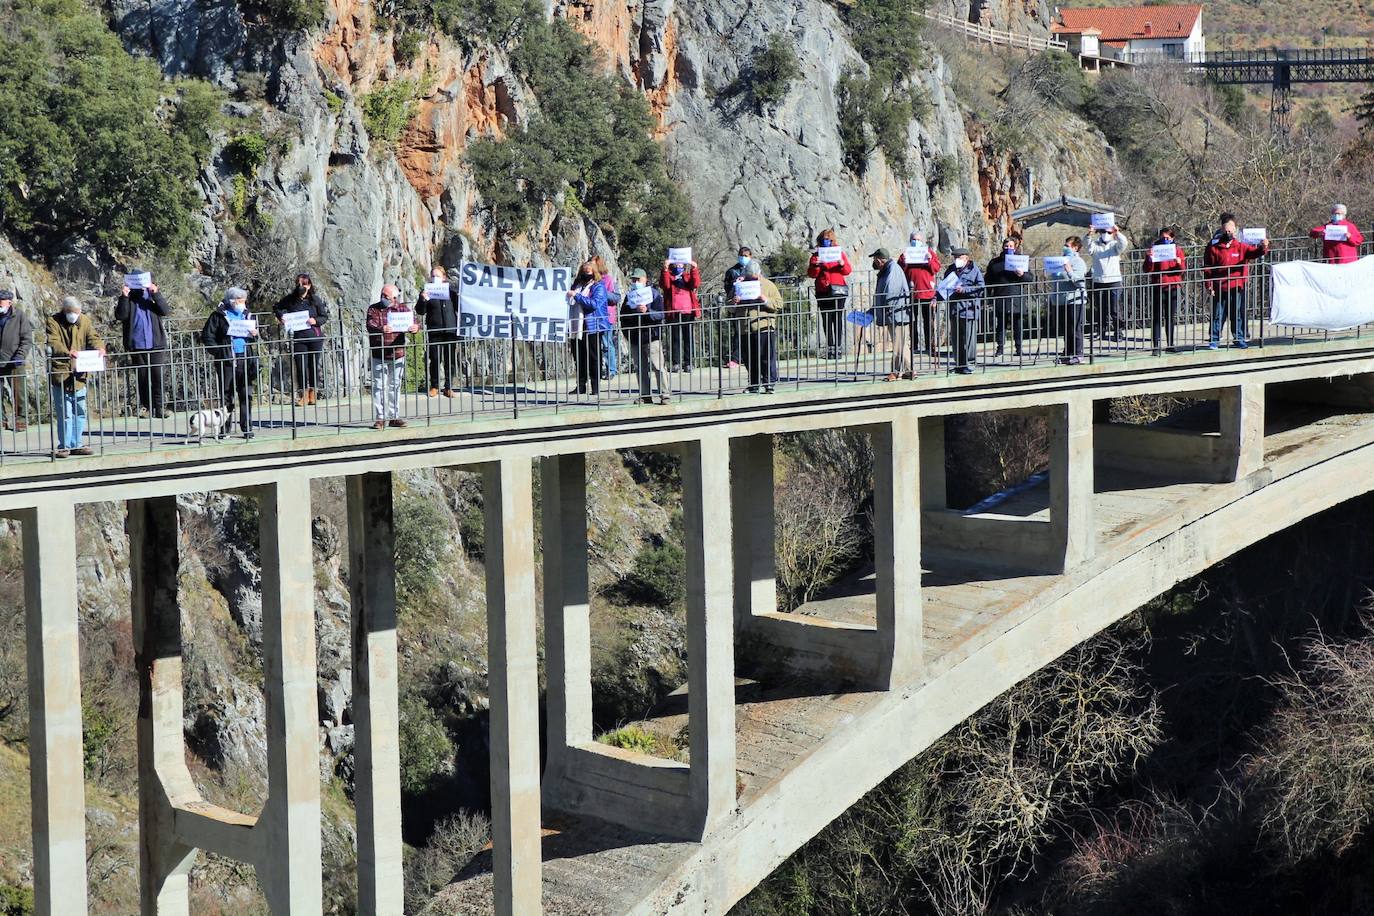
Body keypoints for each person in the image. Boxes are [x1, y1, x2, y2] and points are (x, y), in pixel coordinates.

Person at [46, 297, 107, 456]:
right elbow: (53, 342)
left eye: (77, 313)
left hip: (79, 374)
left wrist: (99, 348)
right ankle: (64, 445)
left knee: (80, 410)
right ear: (65, 311)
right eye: (72, 313)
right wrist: (68, 353)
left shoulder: (84, 321)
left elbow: (93, 337)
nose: (75, 316)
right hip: (61, 373)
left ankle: (77, 444)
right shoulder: (53, 321)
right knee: (65, 412)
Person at [1203, 213, 1269, 350]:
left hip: (1236, 286)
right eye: (1225, 229)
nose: (1228, 232)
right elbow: (1208, 268)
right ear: (1221, 230)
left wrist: (1263, 247)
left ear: (1235, 229)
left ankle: (1238, 338)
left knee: (1237, 314)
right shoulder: (1213, 247)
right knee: (1217, 314)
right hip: (1219, 286)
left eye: (1230, 229)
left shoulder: (1241, 246)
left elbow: (1254, 253)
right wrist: (1209, 285)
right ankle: (1214, 339)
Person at [201, 288, 259, 440]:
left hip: (245, 358)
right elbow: (208, 336)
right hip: (227, 360)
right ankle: (225, 429)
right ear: (232, 301)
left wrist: (255, 335)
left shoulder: (247, 314)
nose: (242, 303)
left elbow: (253, 337)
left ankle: (247, 428)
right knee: (227, 395)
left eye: (243, 300)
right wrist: (219, 352)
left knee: (246, 394)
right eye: (239, 300)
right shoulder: (218, 316)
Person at [114, 275, 172, 418]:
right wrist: (124, 297)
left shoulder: (151, 296)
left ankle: (159, 408)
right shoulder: (129, 298)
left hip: (156, 344)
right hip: (137, 345)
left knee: (157, 376)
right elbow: (121, 315)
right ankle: (146, 407)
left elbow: (165, 311)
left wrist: (156, 293)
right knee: (143, 377)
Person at [273, 272, 330, 406]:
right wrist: (282, 317)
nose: (301, 286)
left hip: (314, 337)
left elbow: (324, 316)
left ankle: (312, 394)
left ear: (309, 286)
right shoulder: (290, 299)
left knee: (313, 365)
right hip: (299, 338)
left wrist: (315, 320)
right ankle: (303, 395)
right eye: (299, 284)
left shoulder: (315, 300)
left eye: (304, 284)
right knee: (300, 366)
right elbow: (277, 307)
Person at [365, 285, 418, 428]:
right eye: (382, 294)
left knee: (395, 385)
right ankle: (380, 417)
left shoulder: (403, 309)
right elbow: (370, 324)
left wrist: (415, 328)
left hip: (397, 353)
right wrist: (380, 328)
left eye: (386, 296)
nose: (383, 298)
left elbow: (414, 322)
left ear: (394, 298)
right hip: (379, 353)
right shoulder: (374, 308)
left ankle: (394, 416)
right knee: (379, 386)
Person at [620, 268, 669, 404]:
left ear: (645, 280)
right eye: (634, 280)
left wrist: (647, 311)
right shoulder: (630, 297)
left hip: (651, 336)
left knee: (658, 366)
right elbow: (623, 316)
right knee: (640, 368)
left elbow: (661, 314)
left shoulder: (654, 295)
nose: (636, 282)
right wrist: (627, 334)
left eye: (638, 279)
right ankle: (645, 395)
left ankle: (665, 395)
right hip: (635, 337)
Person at [984, 234, 1035, 359]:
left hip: (1016, 297)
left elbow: (1030, 278)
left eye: (1011, 246)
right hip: (1000, 296)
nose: (1008, 248)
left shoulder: (1021, 260)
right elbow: (988, 280)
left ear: (1015, 247)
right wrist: (987, 297)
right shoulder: (995, 262)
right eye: (1006, 246)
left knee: (1017, 324)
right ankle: (1000, 348)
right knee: (1000, 325)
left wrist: (1022, 274)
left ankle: (1018, 348)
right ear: (1003, 247)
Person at [733, 260, 779, 393]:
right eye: (749, 278)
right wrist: (734, 302)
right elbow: (729, 307)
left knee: (766, 357)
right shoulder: (739, 285)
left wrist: (765, 300)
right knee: (749, 358)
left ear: (759, 274)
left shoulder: (769, 285)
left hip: (764, 325)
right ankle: (753, 384)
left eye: (755, 278)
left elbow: (779, 304)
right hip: (745, 327)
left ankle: (769, 383)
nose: (752, 280)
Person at [807, 229, 853, 359]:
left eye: (828, 239)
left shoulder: (839, 253)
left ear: (832, 241)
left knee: (837, 318)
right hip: (823, 291)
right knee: (826, 319)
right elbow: (812, 274)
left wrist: (842, 264)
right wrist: (815, 265)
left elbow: (847, 270)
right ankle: (830, 348)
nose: (825, 242)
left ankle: (838, 348)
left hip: (838, 290)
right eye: (823, 240)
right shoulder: (816, 255)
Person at [415, 266, 458, 398]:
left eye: (438, 276)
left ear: (444, 278)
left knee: (450, 359)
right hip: (435, 331)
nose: (435, 278)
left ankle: (448, 387)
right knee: (434, 359)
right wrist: (422, 299)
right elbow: (420, 311)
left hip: (450, 330)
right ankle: (434, 386)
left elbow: (459, 307)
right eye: (433, 276)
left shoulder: (451, 292)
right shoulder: (427, 291)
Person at [1142, 226, 1186, 354]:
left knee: (1170, 317)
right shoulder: (1154, 249)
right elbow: (1147, 269)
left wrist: (1178, 262)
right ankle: (1156, 346)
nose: (1165, 240)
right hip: (1158, 285)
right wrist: (1149, 259)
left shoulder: (1177, 250)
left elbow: (1182, 270)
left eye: (1167, 238)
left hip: (1172, 286)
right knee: (1156, 317)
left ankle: (1170, 344)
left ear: (1172, 238)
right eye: (1162, 238)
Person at [870, 249, 913, 380]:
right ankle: (909, 370)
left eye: (874, 259)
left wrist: (886, 307)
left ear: (879, 259)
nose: (874, 263)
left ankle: (895, 372)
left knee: (897, 343)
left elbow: (891, 291)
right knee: (901, 343)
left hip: (895, 312)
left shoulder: (892, 269)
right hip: (894, 312)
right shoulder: (888, 269)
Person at [898, 233, 942, 357]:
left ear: (922, 241)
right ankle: (914, 346)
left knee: (929, 321)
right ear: (910, 240)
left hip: (927, 293)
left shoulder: (929, 252)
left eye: (918, 239)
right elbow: (900, 269)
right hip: (911, 294)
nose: (916, 241)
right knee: (912, 321)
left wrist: (929, 260)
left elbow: (936, 268)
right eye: (913, 239)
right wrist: (904, 262)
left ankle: (930, 347)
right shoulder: (905, 253)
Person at [571, 261, 610, 395]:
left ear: (594, 272)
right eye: (583, 272)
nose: (585, 274)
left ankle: (595, 386)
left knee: (593, 356)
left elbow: (594, 304)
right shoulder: (577, 285)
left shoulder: (598, 286)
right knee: (579, 355)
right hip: (577, 325)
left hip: (593, 325)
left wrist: (576, 296)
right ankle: (581, 385)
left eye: (588, 272)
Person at [942, 248, 984, 375]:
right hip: (955, 309)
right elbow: (943, 287)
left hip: (969, 310)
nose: (956, 260)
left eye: (959, 257)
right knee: (956, 339)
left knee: (969, 339)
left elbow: (981, 288)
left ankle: (969, 364)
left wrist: (964, 290)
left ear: (966, 258)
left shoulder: (974, 270)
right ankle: (959, 364)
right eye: (955, 257)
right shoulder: (950, 270)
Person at [1087, 222, 1130, 343]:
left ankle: (1118, 331)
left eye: (1109, 232)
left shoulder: (1115, 245)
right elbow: (1088, 247)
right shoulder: (1095, 245)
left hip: (1114, 281)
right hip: (1099, 280)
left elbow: (1124, 244)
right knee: (1100, 309)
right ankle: (1100, 331)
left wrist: (1117, 232)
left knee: (1114, 309)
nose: (1106, 234)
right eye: (1103, 232)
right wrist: (1089, 234)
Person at [1049, 237, 1088, 365]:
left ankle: (1078, 353)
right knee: (1065, 329)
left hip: (1074, 300)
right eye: (1064, 245)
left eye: (1068, 246)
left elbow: (1079, 281)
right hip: (1060, 301)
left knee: (1074, 328)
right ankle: (1067, 353)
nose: (1065, 248)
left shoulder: (1078, 262)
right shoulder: (1060, 260)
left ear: (1075, 248)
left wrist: (1069, 271)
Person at [0, 290, 34, 433]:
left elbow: (26, 339)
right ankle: (2, 421)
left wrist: (19, 356)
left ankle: (21, 421)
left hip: (15, 360)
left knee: (19, 392)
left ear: (9, 302)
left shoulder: (19, 316)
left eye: (1, 301)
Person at [661, 256, 700, 372]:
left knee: (688, 338)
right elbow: (665, 285)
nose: (678, 266)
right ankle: (676, 363)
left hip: (688, 311)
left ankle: (688, 363)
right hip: (673, 311)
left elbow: (695, 284)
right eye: (676, 264)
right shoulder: (669, 275)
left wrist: (694, 269)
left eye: (681, 264)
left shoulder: (687, 276)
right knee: (675, 338)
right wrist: (665, 270)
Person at [721, 246, 754, 369]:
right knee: (738, 332)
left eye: (746, 256)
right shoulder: (732, 271)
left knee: (753, 332)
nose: (743, 258)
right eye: (741, 255)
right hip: (738, 306)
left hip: (752, 305)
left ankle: (750, 357)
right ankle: (736, 358)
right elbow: (728, 288)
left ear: (750, 257)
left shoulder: (755, 269)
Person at [594, 256, 622, 380]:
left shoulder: (608, 280)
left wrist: (602, 292)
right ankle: (597, 371)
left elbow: (616, 297)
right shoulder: (590, 281)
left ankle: (611, 369)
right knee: (595, 346)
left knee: (606, 343)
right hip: (592, 317)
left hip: (606, 318)